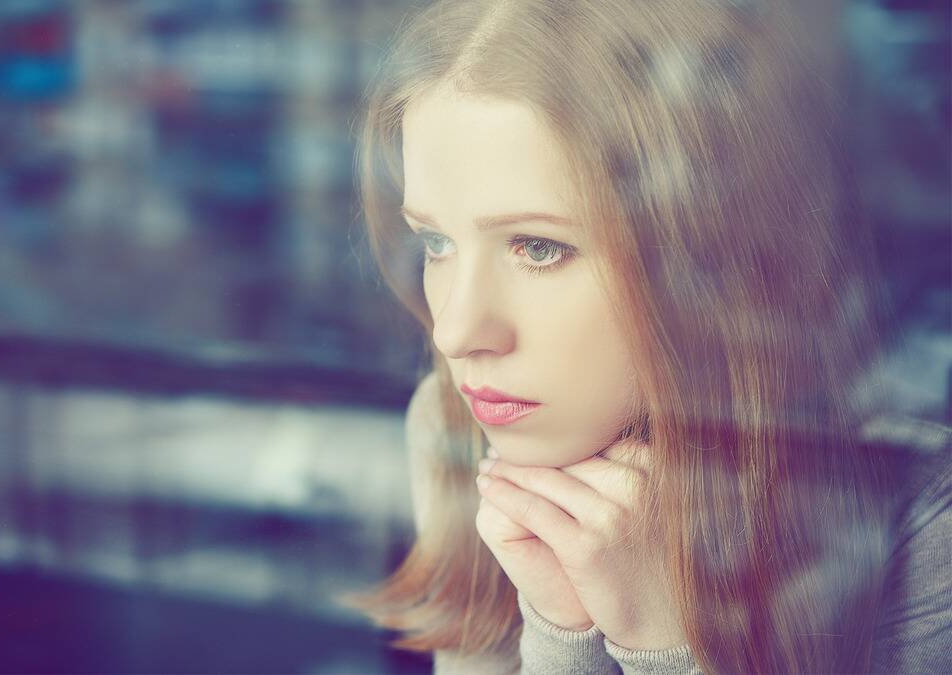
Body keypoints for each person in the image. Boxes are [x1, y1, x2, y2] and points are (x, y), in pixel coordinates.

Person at [338, 1, 952, 673]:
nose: (456, 331)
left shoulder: (917, 500)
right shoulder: (452, 425)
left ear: (708, 259)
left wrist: (665, 644)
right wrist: (560, 630)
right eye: (435, 242)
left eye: (538, 246)